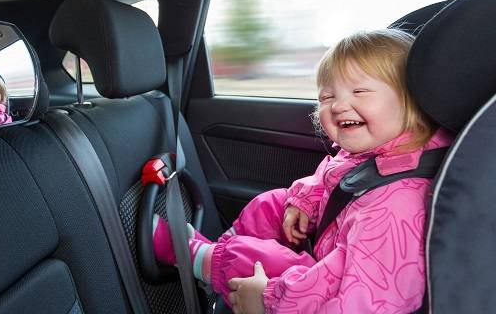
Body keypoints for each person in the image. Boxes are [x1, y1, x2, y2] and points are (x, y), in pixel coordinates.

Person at [152, 29, 453, 313]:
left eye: (359, 90)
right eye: (326, 97)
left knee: (255, 260)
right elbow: (333, 174)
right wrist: (305, 200)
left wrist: (267, 301)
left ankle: (189, 255)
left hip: (324, 294)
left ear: (412, 99)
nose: (337, 106)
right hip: (335, 255)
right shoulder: (381, 152)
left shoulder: (395, 208)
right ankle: (216, 255)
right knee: (273, 203)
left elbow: (361, 304)